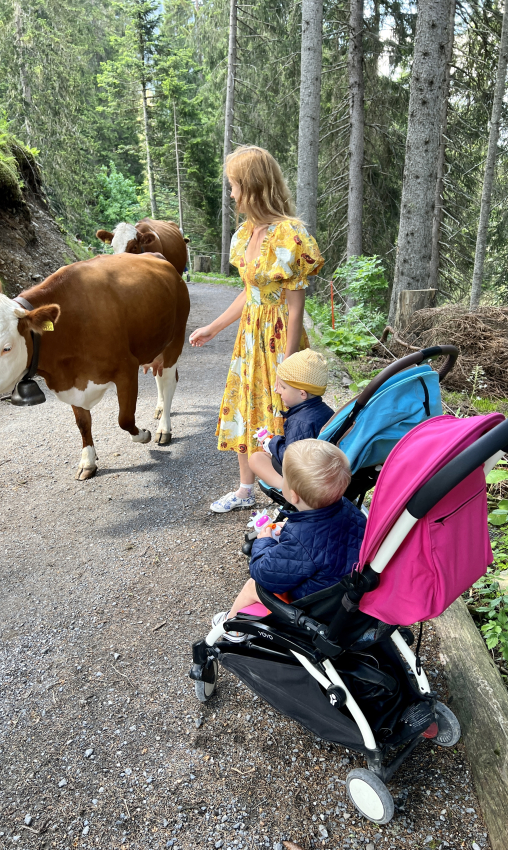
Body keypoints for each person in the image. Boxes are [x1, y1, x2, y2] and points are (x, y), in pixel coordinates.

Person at [189, 145, 324, 513]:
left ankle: (288, 492)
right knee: (246, 408)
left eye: (234, 185)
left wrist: (288, 360)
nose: (231, 194)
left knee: (283, 412)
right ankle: (245, 490)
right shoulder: (246, 234)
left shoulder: (290, 235)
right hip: (249, 337)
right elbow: (249, 295)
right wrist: (214, 328)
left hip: (281, 337)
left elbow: (296, 308)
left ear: (252, 187)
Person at [212, 440, 366, 638]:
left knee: (253, 586)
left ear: (293, 496)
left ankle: (231, 627)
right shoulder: (348, 508)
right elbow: (325, 539)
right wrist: (291, 530)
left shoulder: (301, 540)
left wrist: (263, 541)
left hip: (318, 606)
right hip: (347, 591)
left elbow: (265, 573)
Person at [249, 348, 334, 490]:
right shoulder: (326, 410)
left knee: (256, 459)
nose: (277, 390)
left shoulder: (300, 421)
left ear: (302, 394)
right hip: (321, 470)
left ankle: (289, 491)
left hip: (308, 480)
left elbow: (291, 459)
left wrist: (270, 442)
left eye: (282, 387)